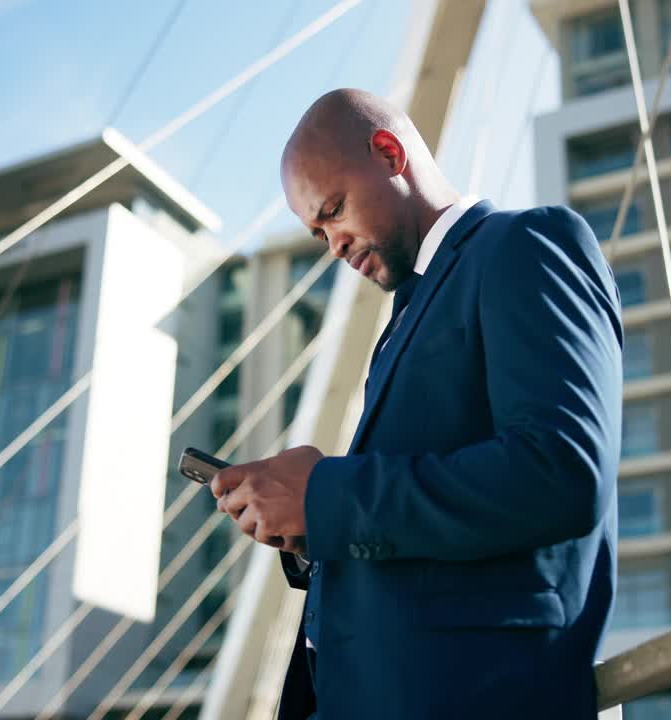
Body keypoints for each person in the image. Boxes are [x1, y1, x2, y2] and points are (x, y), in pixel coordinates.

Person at [210, 88, 623, 719]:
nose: (334, 246)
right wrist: (313, 528)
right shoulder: (401, 325)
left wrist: (325, 493)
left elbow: (561, 470)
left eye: (335, 211)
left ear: (388, 151)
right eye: (318, 232)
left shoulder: (524, 245)